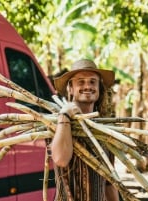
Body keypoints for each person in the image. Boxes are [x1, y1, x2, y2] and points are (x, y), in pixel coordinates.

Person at [51, 59, 119, 201]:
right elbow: (61, 159)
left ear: (99, 88)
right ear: (70, 88)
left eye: (92, 81)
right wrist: (65, 115)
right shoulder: (57, 123)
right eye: (81, 82)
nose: (87, 86)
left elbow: (109, 181)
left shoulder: (104, 130)